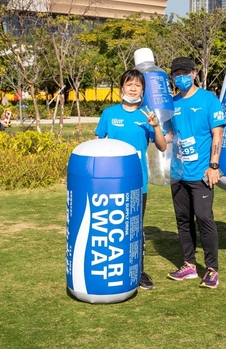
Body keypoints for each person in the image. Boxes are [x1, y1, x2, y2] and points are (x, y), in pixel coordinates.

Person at [95, 69, 167, 290]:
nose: (133, 89)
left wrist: (155, 126)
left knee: (134, 227)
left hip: (138, 182)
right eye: (129, 84)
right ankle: (110, 266)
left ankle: (138, 271)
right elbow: (97, 144)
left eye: (138, 85)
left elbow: (162, 146)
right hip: (112, 181)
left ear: (143, 90)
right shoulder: (109, 114)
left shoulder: (147, 115)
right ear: (121, 89)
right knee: (111, 225)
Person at [165, 57, 226, 289]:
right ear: (172, 78)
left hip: (201, 173)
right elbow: (169, 136)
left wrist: (214, 166)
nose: (181, 77)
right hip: (178, 173)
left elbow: (217, 134)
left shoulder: (209, 99)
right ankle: (189, 265)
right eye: (176, 74)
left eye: (185, 73)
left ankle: (211, 269)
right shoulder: (172, 103)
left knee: (203, 217)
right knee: (183, 220)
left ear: (194, 73)